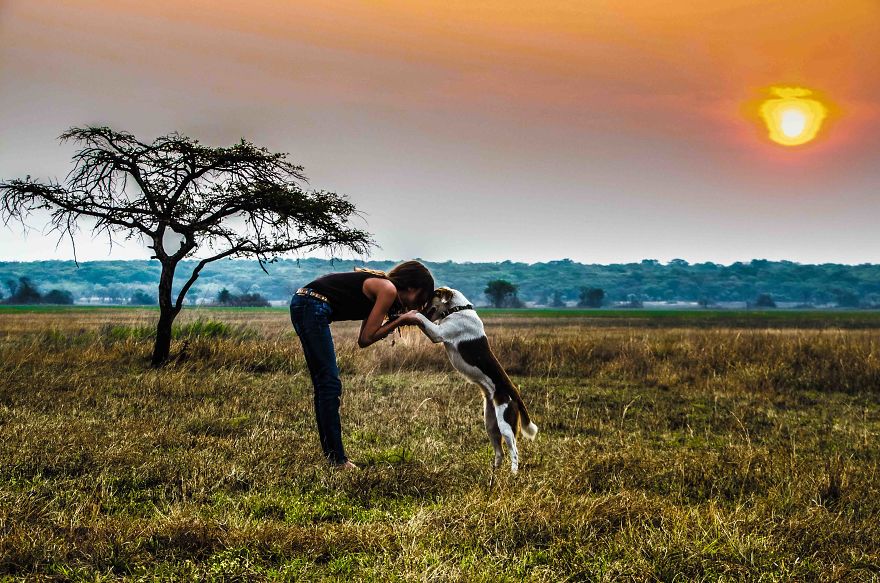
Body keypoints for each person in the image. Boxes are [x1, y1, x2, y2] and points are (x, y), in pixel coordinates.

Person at [289, 260, 434, 468]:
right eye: (421, 297)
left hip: (306, 303)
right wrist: (401, 321)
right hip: (311, 304)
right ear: (412, 288)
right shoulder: (388, 288)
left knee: (327, 385)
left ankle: (334, 457)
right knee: (329, 385)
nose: (418, 305)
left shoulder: (384, 290)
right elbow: (367, 337)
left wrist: (396, 320)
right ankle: (338, 460)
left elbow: (364, 340)